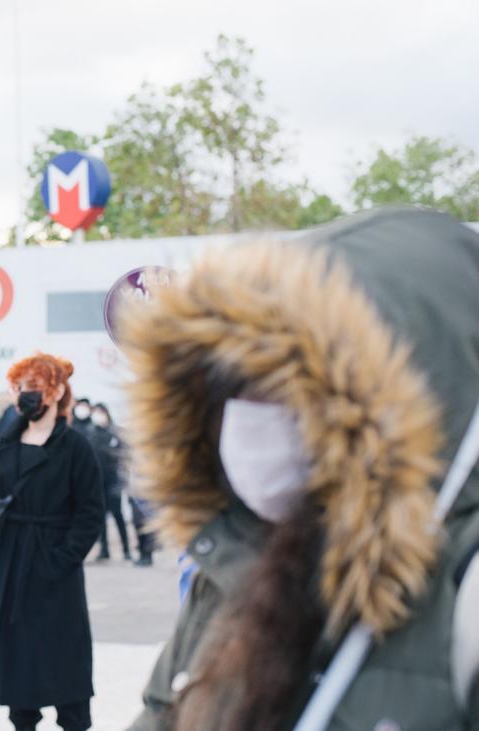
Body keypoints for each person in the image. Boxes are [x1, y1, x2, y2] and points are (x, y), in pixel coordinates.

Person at [123, 208, 479, 729]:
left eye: (286, 389)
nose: (248, 415)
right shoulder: (233, 562)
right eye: (233, 386)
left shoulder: (464, 598)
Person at [0, 352, 105, 731]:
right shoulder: (6, 443)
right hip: (8, 562)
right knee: (18, 667)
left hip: (53, 568)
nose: (24, 395)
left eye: (33, 387)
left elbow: (90, 514)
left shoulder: (76, 448)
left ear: (57, 390)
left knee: (66, 663)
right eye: (19, 388)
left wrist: (61, 559)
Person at [85, 403, 131, 562]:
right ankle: (104, 550)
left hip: (114, 480)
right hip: (98, 481)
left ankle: (126, 549)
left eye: (100, 412)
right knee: (101, 517)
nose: (98, 415)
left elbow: (124, 455)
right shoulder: (91, 432)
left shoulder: (115, 432)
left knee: (118, 515)